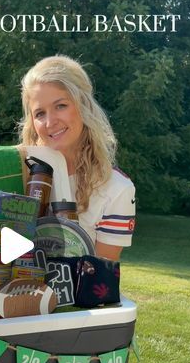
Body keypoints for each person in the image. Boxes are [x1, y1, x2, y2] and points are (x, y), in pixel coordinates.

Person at [19, 54, 136, 261]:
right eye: (39, 113)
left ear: (84, 106)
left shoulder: (117, 189)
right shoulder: (16, 171)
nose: (49, 122)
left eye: (61, 106)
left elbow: (99, 279)